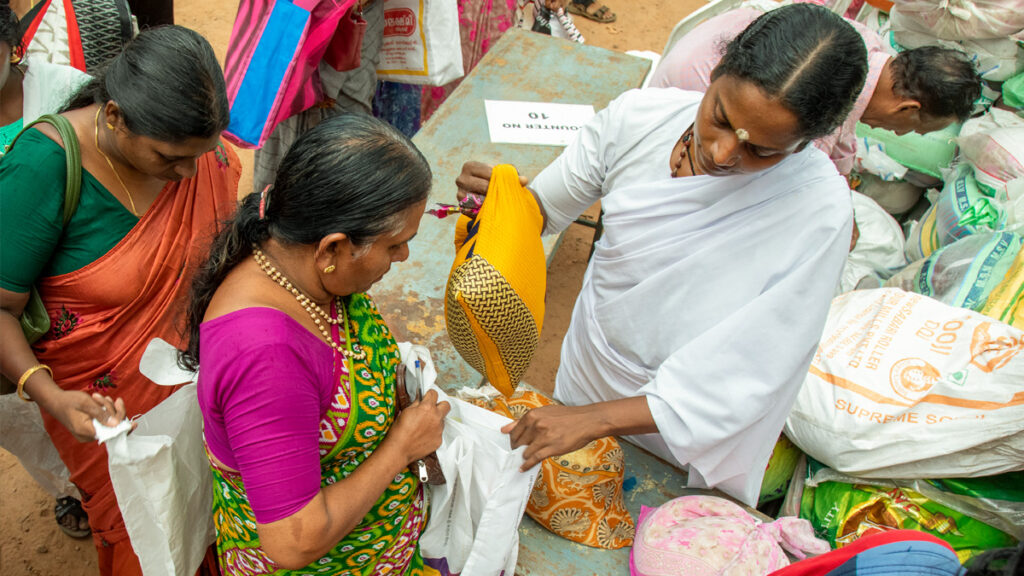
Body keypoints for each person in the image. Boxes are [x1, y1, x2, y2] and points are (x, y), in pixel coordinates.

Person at [455, 3, 868, 506]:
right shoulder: (637, 120)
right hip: (588, 371)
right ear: (715, 72)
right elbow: (543, 210)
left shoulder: (816, 212)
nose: (722, 154)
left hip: (685, 432)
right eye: (720, 118)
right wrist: (499, 203)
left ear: (804, 145)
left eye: (762, 151)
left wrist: (599, 419)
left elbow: (751, 367)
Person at [0, 25, 237, 576]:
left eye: (199, 156)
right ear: (112, 118)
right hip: (105, 413)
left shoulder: (195, 151)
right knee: (146, 533)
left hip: (201, 380)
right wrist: (50, 396)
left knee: (213, 515)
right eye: (169, 158)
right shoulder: (43, 167)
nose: (187, 174)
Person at [181, 114, 449, 575]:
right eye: (394, 245)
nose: (403, 256)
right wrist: (400, 449)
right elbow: (292, 539)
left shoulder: (300, 272)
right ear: (331, 250)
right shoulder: (266, 359)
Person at [649, 6, 981, 175]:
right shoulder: (818, 113)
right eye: (918, 130)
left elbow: (841, 152)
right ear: (908, 108)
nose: (900, 132)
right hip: (670, 123)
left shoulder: (863, 43)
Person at [0, 2, 94, 540]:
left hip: (67, 292)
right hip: (7, 294)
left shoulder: (66, 93)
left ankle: (96, 482)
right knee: (21, 416)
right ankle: (66, 487)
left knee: (75, 397)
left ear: (13, 47)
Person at [252, 0, 383, 193]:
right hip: (295, 14)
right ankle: (277, 202)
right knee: (282, 101)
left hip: (357, 16)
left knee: (348, 126)